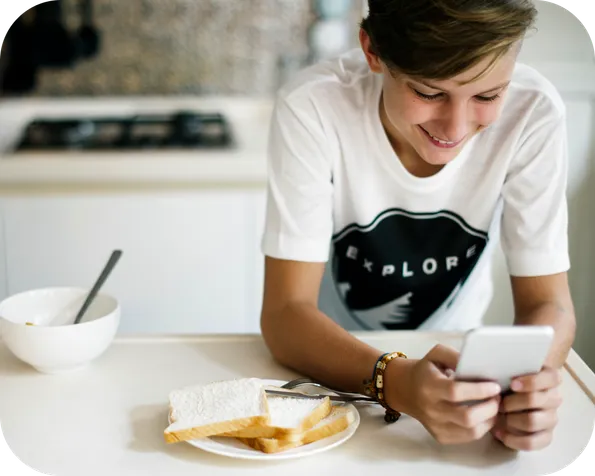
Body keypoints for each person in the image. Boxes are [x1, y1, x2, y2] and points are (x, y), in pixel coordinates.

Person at [259, 0, 576, 452]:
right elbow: (285, 314)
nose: (456, 126)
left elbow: (550, 305)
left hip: (460, 361)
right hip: (328, 369)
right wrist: (397, 382)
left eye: (487, 96)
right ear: (373, 50)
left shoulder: (534, 112)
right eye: (429, 93)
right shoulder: (313, 106)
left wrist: (527, 387)